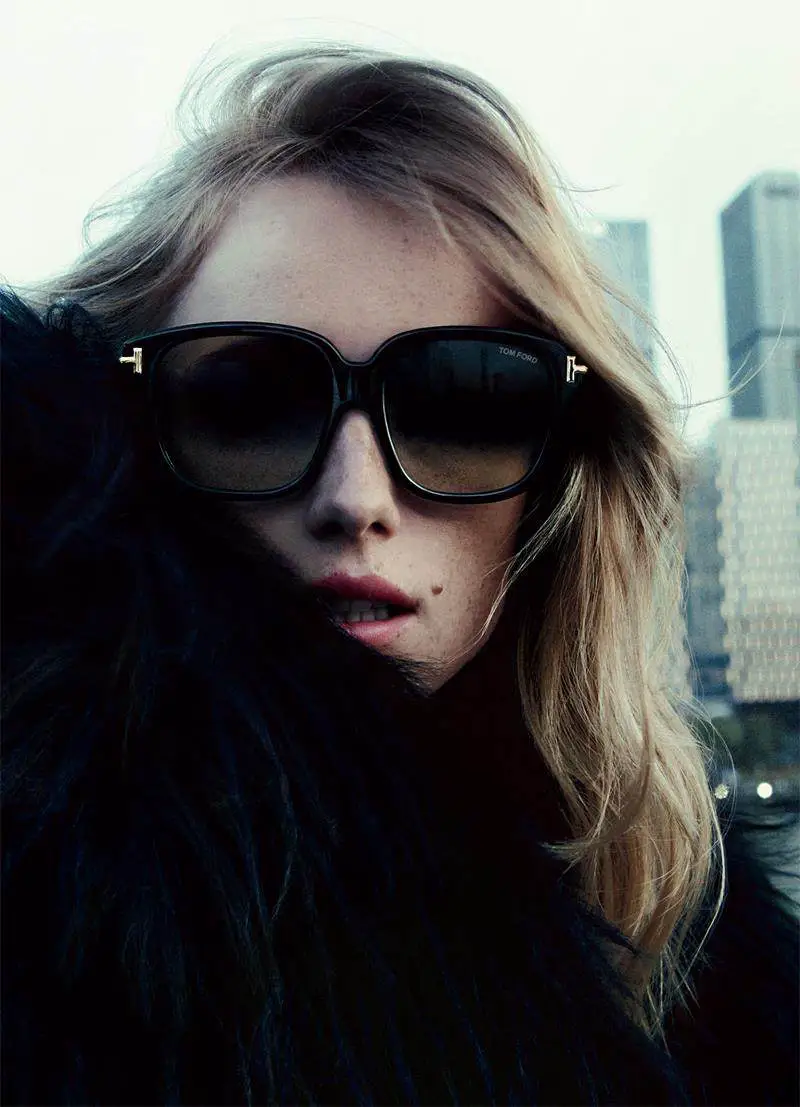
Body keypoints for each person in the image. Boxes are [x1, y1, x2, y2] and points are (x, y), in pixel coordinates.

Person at [2, 43, 797, 1106]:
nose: (356, 497)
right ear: (123, 433)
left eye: (462, 404)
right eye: (246, 401)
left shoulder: (698, 949)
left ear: (561, 473)